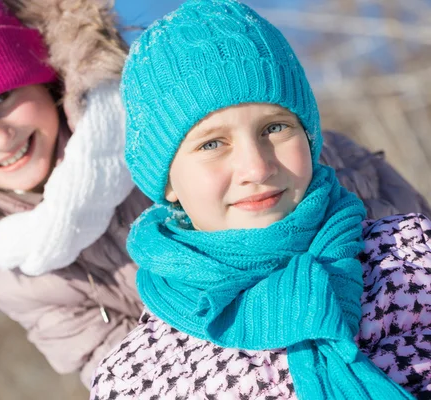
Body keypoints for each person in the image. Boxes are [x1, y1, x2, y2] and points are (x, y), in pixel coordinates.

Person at [0, 0, 428, 390]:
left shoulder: (152, 126)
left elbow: (319, 177)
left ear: (46, 80)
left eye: (4, 97)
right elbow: (109, 365)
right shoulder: (16, 275)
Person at [90, 1, 431, 398]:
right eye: (212, 143)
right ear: (167, 182)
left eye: (274, 127)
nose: (256, 167)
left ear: (309, 136)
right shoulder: (135, 379)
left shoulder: (411, 253)